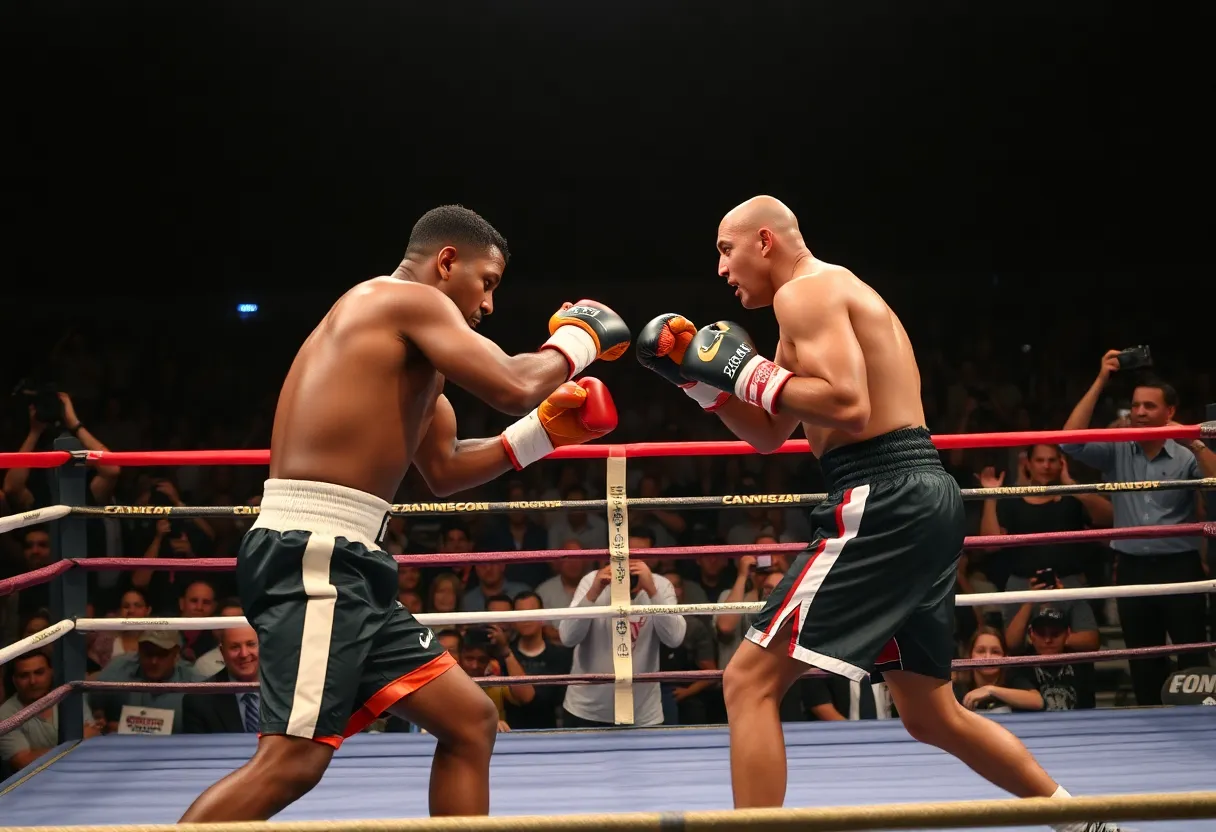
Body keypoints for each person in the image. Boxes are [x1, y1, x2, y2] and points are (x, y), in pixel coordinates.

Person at [636, 195, 1121, 832]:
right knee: (931, 715)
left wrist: (743, 369)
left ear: (764, 241)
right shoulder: (815, 301)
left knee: (747, 681)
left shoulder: (806, 292)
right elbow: (770, 433)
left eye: (726, 250)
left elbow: (848, 405)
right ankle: (1083, 822)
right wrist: (697, 380)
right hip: (918, 495)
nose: (721, 269)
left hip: (882, 491)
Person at [180, 205, 629, 822]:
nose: (488, 304)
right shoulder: (396, 299)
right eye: (487, 282)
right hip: (314, 553)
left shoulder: (419, 371)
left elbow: (444, 469)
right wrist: (582, 336)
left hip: (349, 562)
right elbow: (512, 383)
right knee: (292, 761)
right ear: (446, 261)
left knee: (470, 722)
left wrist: (543, 435)